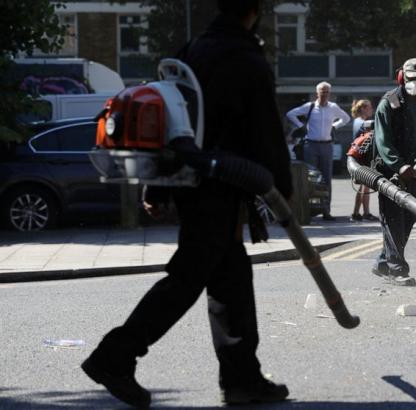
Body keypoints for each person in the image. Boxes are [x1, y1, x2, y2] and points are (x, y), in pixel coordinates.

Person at [80, 0, 293, 407]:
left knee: (230, 279)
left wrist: (158, 186)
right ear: (254, 11)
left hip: (191, 180)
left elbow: (169, 120)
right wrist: (282, 188)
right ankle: (115, 356)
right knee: (189, 276)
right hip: (221, 185)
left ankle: (242, 378)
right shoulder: (247, 59)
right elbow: (266, 131)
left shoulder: (190, 51)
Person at [372, 58, 416, 286]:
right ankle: (397, 270)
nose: (415, 83)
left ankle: (383, 262)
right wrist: (400, 166)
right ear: (402, 77)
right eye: (411, 79)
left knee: (409, 217)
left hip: (414, 172)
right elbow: (383, 141)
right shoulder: (388, 103)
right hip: (390, 172)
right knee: (392, 220)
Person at [286, 82, 350, 221]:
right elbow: (290, 114)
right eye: (322, 91)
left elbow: (346, 118)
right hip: (311, 145)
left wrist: (334, 126)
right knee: (310, 178)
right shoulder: (310, 107)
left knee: (326, 179)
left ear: (330, 93)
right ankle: (308, 210)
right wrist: (301, 126)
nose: (324, 94)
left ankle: (326, 211)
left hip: (327, 146)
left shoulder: (333, 107)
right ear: (317, 93)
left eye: (327, 91)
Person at [349, 99, 378, 222]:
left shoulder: (358, 121)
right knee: (365, 187)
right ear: (363, 109)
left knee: (363, 187)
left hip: (359, 156)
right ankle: (363, 213)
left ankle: (358, 213)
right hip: (362, 157)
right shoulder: (362, 123)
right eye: (370, 107)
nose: (372, 109)